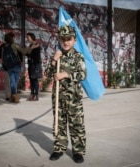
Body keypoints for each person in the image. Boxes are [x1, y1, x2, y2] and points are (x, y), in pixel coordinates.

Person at [45, 25, 87, 163]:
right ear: (59, 40)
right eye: (63, 39)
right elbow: (47, 74)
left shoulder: (78, 56)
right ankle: (59, 148)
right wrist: (54, 60)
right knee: (59, 123)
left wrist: (65, 74)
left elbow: (82, 74)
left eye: (69, 39)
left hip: (74, 98)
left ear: (74, 40)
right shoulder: (57, 55)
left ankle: (78, 151)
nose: (66, 42)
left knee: (76, 125)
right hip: (58, 97)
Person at [1, 32, 38, 103]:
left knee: (12, 82)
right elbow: (23, 51)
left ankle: (12, 96)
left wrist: (6, 65)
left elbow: (2, 58)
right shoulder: (14, 45)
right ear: (11, 38)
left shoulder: (4, 47)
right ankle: (14, 96)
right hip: (16, 65)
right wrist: (30, 48)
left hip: (9, 66)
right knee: (15, 82)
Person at [26, 32, 42, 101]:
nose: (27, 39)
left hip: (35, 65)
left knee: (35, 79)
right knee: (31, 80)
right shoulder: (30, 45)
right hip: (30, 64)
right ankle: (32, 93)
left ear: (32, 37)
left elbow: (36, 56)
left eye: (28, 37)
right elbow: (27, 54)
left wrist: (31, 49)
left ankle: (36, 94)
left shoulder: (36, 45)